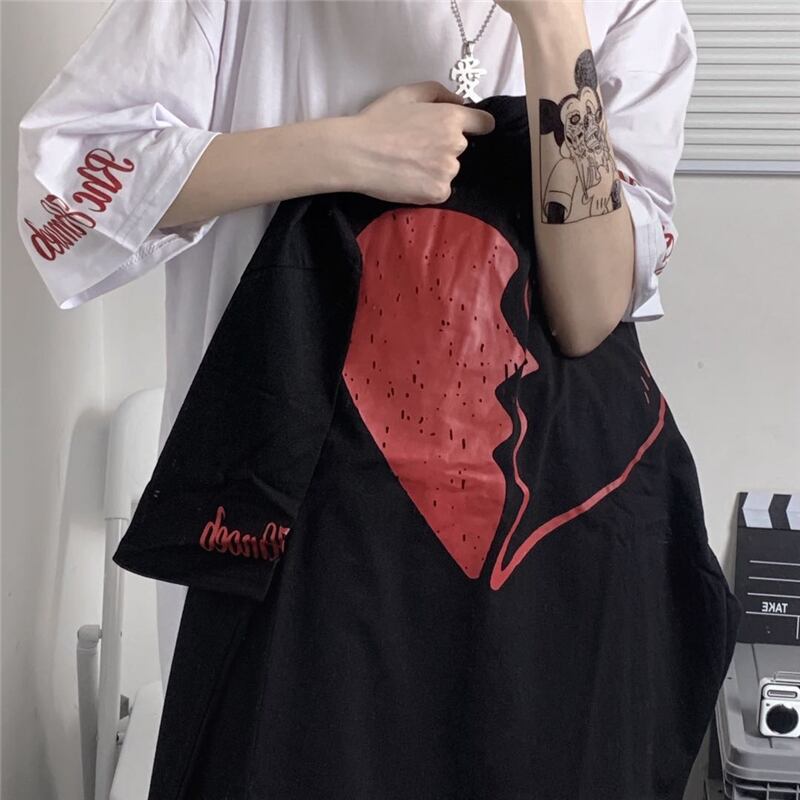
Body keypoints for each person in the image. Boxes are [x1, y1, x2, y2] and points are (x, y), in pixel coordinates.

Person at [17, 0, 700, 776]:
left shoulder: (632, 12)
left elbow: (590, 309)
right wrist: (342, 151)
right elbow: (62, 186)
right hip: (284, 564)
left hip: (526, 594)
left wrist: (551, 27)